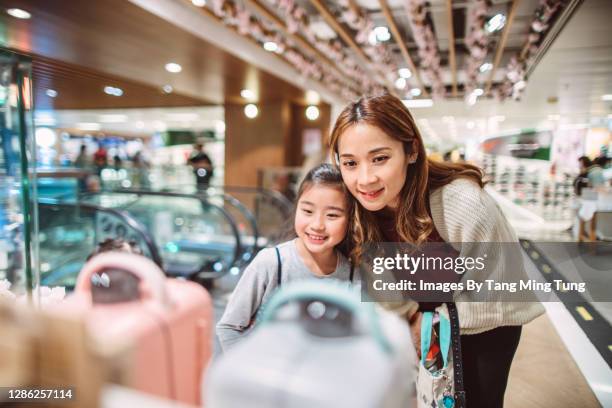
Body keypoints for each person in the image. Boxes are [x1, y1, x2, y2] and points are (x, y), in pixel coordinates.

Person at [329, 93, 544, 408]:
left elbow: (496, 293)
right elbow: (380, 282)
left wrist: (430, 325)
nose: (365, 178)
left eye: (380, 158)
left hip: (483, 327)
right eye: (350, 163)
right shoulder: (360, 210)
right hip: (423, 320)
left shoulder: (462, 203)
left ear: (411, 150)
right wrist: (413, 316)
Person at [216, 164, 356, 351]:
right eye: (307, 211)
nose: (317, 225)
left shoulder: (354, 274)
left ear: (351, 219)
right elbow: (228, 327)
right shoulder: (271, 263)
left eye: (332, 215)